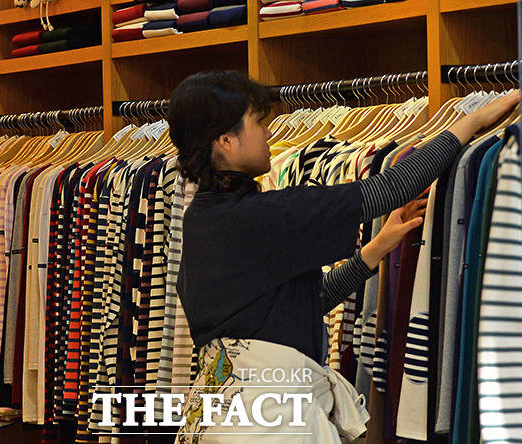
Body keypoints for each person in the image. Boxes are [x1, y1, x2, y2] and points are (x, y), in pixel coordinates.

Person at [166, 70, 519, 443]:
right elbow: (391, 187)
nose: (269, 133)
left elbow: (301, 304)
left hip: (224, 417)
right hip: (268, 426)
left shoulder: (203, 219)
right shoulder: (261, 216)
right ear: (225, 140)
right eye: (257, 122)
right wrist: (472, 121)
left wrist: (375, 249)